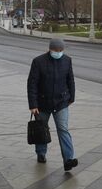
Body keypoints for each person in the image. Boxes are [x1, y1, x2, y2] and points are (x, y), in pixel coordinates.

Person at [27, 38, 78, 171]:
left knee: (63, 129)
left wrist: (72, 97)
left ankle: (68, 160)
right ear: (50, 49)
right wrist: (33, 104)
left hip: (61, 102)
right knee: (42, 129)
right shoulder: (38, 62)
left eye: (61, 50)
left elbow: (70, 79)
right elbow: (32, 84)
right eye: (56, 50)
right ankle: (41, 153)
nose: (58, 52)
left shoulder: (67, 60)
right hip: (42, 103)